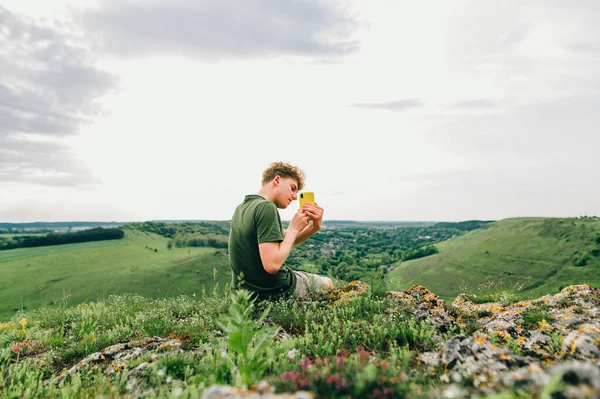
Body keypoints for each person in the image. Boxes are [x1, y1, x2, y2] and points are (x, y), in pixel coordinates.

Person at [228, 161, 334, 300]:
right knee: (328, 283)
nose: (295, 196)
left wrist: (314, 227)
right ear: (277, 180)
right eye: (293, 188)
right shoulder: (266, 208)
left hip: (243, 295)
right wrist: (293, 228)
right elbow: (272, 265)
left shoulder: (242, 208)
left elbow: (286, 240)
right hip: (276, 289)